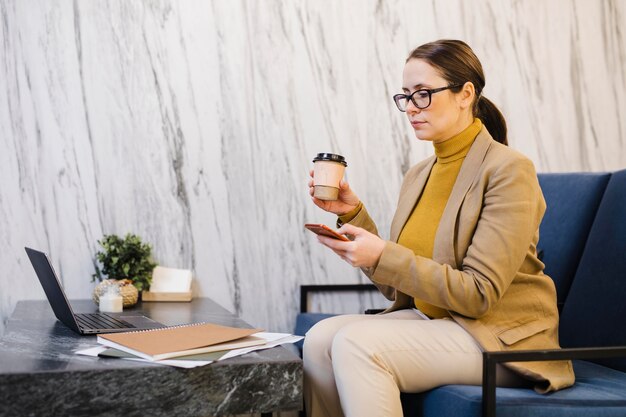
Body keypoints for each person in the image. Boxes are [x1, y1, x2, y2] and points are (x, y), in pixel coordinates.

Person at [304, 39, 575, 417]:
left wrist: (383, 254)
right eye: (406, 97)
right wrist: (353, 217)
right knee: (318, 339)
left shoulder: (509, 170)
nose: (411, 108)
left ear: (466, 94)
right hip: (436, 321)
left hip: (497, 337)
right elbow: (395, 285)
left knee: (357, 343)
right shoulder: (419, 175)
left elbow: (478, 294)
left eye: (424, 95)